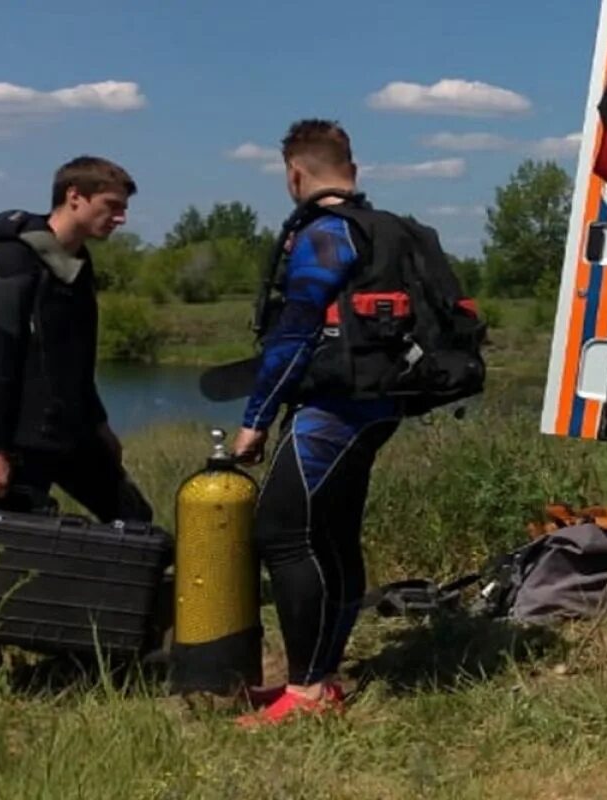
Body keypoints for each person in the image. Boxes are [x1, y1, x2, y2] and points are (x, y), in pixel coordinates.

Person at [230, 119, 403, 727]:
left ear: (294, 174)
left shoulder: (324, 234)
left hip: (332, 409)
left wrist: (256, 419)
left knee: (282, 533)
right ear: (351, 170)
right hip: (376, 403)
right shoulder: (376, 229)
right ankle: (318, 678)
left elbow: (297, 331)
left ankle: (304, 692)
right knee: (329, 537)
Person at [0, 155, 152, 525]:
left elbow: (74, 361)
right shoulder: (9, 264)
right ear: (75, 196)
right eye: (111, 206)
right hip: (11, 441)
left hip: (68, 431)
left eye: (124, 208)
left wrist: (99, 424)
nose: (121, 218)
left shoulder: (75, 265)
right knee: (7, 546)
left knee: (133, 521)